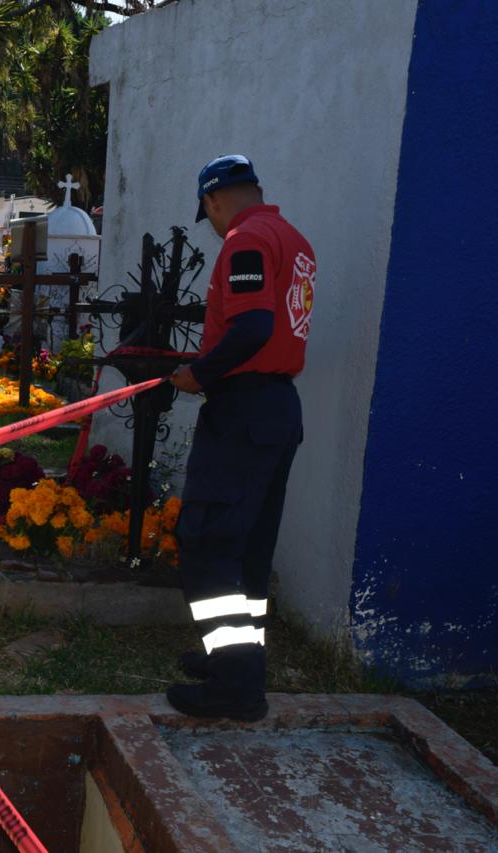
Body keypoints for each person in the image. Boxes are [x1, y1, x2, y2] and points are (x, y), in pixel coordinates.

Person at [166, 154, 316, 721]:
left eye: (206, 213)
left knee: (207, 543)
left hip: (244, 409)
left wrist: (199, 373)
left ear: (212, 200)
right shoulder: (294, 241)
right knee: (248, 548)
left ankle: (235, 688)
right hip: (277, 408)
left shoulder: (246, 241)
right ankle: (233, 658)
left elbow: (254, 325)